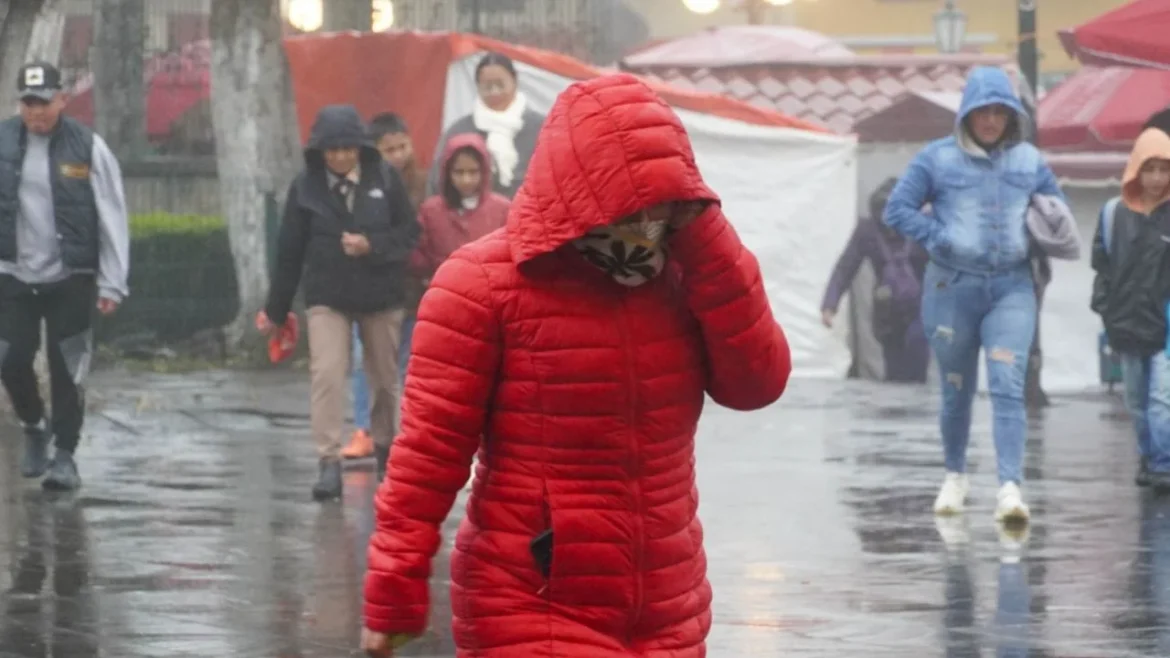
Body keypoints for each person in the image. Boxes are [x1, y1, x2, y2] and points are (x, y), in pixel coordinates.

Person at [360, 73, 791, 658]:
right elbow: (428, 456)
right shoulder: (482, 285)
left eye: (665, 199)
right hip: (531, 603)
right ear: (578, 183)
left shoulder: (684, 273)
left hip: (668, 608)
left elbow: (756, 383)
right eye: (634, 197)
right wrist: (394, 590)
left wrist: (708, 237)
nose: (649, 219)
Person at [884, 66, 1065, 523]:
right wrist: (936, 235)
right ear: (966, 112)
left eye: (999, 112)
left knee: (1007, 384)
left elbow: (1055, 210)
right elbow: (897, 208)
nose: (990, 121)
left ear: (1011, 115)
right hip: (951, 288)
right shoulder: (936, 159)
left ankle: (1009, 487)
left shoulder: (1029, 161)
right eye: (982, 111)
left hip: (1012, 287)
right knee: (955, 389)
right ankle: (955, 475)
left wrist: (1051, 230)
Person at [260, 104, 419, 501]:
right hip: (327, 296)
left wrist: (373, 246)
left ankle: (387, 451)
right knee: (327, 373)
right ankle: (329, 462)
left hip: (380, 296)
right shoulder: (306, 187)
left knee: (384, 378)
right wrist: (276, 310)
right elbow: (289, 251)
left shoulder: (385, 177)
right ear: (319, 151)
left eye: (347, 148)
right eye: (331, 150)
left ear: (360, 147)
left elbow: (409, 234)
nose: (340, 157)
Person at [0, 61, 130, 492]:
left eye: (44, 102)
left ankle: (65, 456)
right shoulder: (1, 142)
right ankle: (34, 425)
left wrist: (113, 280)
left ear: (62, 100)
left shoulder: (87, 147)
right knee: (10, 359)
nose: (36, 111)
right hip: (13, 274)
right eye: (28, 103)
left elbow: (112, 215)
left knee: (67, 368)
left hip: (69, 276)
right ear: (20, 103)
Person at [1092, 125, 1170, 490]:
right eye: (1149, 168)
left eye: (1164, 169)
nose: (1156, 178)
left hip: (1165, 325)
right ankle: (1148, 456)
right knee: (1137, 402)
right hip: (1125, 324)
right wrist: (1107, 311)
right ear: (1136, 169)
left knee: (1161, 401)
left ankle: (1162, 462)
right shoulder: (1112, 214)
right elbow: (1102, 267)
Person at [344, 112, 424, 461]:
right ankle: (364, 428)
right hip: (371, 288)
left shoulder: (424, 182)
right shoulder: (362, 184)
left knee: (405, 365)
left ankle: (402, 431)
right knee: (366, 362)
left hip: (415, 290)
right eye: (389, 148)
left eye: (402, 146)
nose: (398, 154)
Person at [821, 178, 929, 383]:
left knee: (917, 358)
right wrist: (830, 305)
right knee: (894, 370)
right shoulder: (867, 230)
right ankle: (894, 410)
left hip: (920, 306)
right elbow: (846, 266)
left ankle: (917, 409)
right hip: (887, 309)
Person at [427, 53, 545, 199]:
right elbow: (437, 182)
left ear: (514, 82)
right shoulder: (459, 131)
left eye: (500, 85)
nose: (494, 92)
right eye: (487, 87)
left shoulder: (541, 127)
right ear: (477, 87)